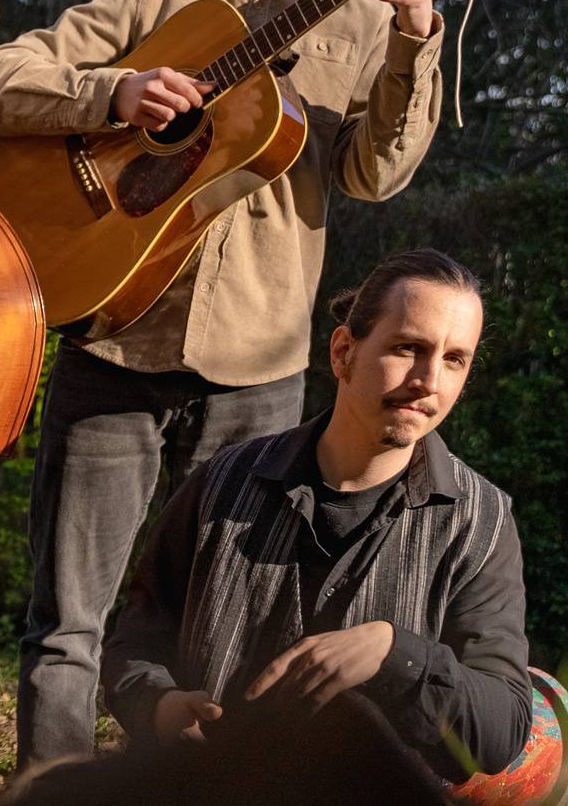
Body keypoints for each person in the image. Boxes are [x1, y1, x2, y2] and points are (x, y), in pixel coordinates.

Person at [0, 0, 448, 766]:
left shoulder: (357, 21)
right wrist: (119, 91)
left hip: (258, 372)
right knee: (66, 626)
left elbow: (376, 174)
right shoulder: (155, 3)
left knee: (240, 633)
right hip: (117, 343)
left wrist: (416, 38)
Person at [99, 249, 531, 794]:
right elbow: (136, 640)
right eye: (407, 348)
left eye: (454, 360)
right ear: (344, 351)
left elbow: (503, 733)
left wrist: (391, 653)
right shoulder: (223, 481)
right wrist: (156, 705)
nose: (428, 380)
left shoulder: (481, 523)